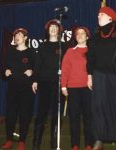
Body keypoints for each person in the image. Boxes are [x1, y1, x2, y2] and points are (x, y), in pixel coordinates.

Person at [32, 19, 66, 150]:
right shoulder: (42, 46)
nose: (53, 29)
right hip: (44, 84)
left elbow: (67, 65)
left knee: (56, 117)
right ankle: (36, 145)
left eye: (55, 27)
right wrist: (35, 80)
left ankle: (54, 145)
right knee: (41, 115)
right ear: (47, 30)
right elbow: (37, 65)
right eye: (50, 27)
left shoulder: (63, 46)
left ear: (59, 30)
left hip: (58, 85)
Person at [87, 6, 116, 150]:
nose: (99, 17)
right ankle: (98, 140)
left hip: (114, 75)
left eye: (102, 15)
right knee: (98, 107)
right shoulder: (95, 37)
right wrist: (89, 76)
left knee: (114, 106)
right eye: (98, 15)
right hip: (98, 75)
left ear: (111, 18)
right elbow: (90, 59)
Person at [1, 28, 35, 150]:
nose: (17, 37)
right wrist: (5, 70)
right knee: (10, 115)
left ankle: (22, 141)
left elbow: (37, 69)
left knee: (24, 115)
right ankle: (9, 139)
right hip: (12, 88)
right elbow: (3, 67)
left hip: (26, 89)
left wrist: (33, 72)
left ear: (25, 38)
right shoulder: (10, 51)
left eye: (20, 35)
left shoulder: (31, 52)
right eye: (15, 35)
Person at [61, 27, 93, 150]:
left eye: (82, 33)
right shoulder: (70, 51)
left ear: (87, 37)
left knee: (88, 117)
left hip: (88, 88)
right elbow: (65, 70)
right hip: (73, 89)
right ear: (75, 37)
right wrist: (63, 85)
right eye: (77, 34)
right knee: (74, 117)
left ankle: (88, 144)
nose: (79, 35)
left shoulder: (91, 51)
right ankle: (75, 145)